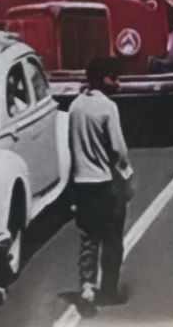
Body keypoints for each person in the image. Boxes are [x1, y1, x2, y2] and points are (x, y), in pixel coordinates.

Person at [68, 56, 133, 316]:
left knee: (88, 239)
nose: (117, 83)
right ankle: (108, 289)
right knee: (112, 239)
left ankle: (86, 285)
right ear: (103, 79)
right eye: (114, 78)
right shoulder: (107, 108)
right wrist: (126, 172)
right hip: (105, 184)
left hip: (82, 184)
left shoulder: (75, 106)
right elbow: (118, 150)